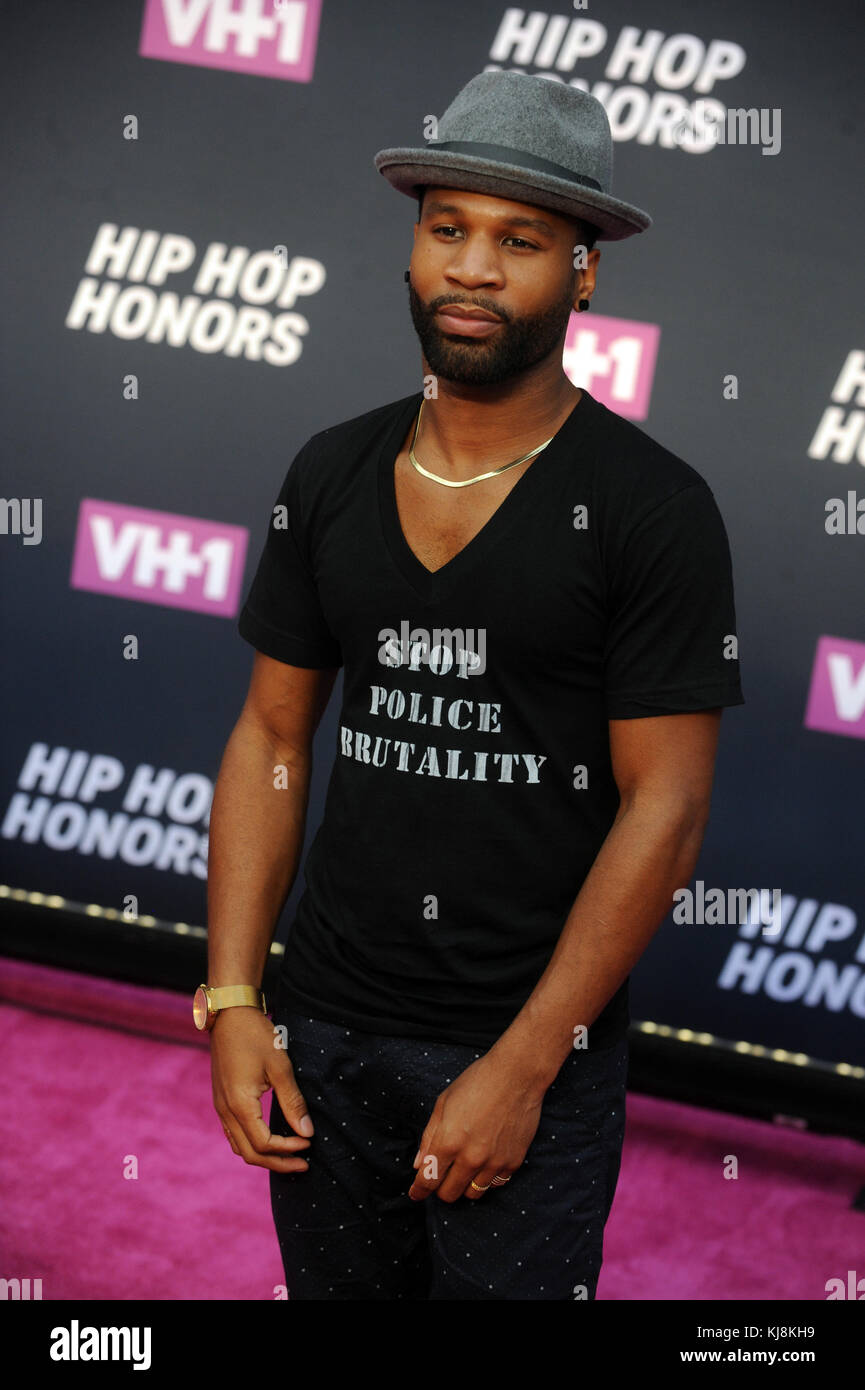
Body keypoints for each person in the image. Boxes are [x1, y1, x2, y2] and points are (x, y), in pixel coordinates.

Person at [201, 71, 745, 1300]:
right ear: (410, 246)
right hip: (323, 1031)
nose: (474, 269)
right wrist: (236, 994)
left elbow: (664, 814)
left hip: (521, 1046)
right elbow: (271, 732)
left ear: (584, 268)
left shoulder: (654, 510)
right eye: (446, 228)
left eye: (520, 241)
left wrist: (525, 1064)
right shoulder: (331, 470)